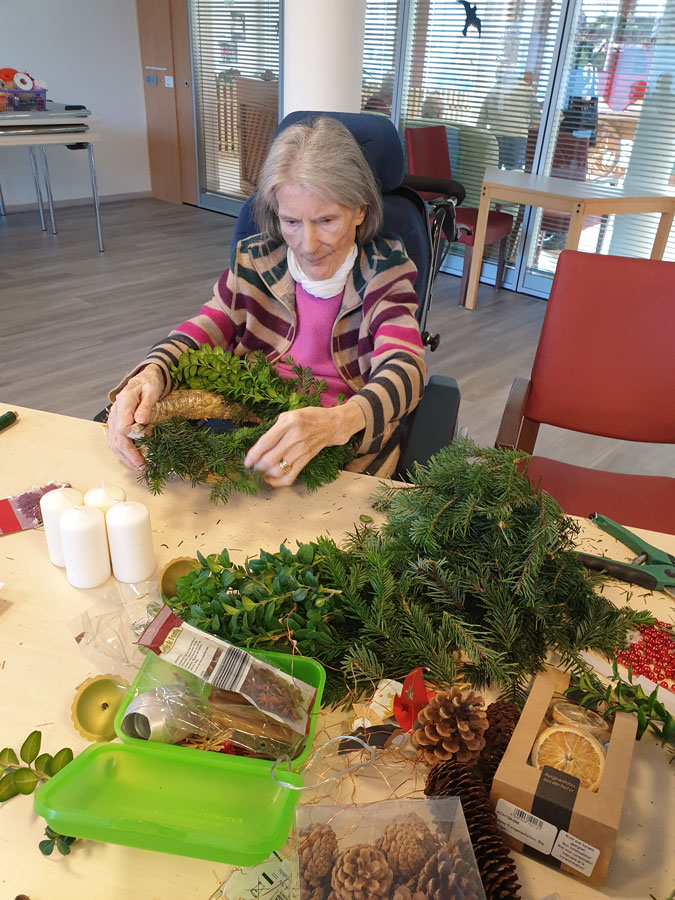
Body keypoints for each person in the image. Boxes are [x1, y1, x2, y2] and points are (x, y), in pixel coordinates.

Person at [107, 117, 426, 485]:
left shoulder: (386, 270)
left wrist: (340, 422)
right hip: (242, 424)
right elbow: (208, 324)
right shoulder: (255, 260)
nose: (307, 244)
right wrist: (152, 371)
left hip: (341, 442)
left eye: (326, 220)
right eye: (291, 221)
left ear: (359, 211)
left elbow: (405, 364)